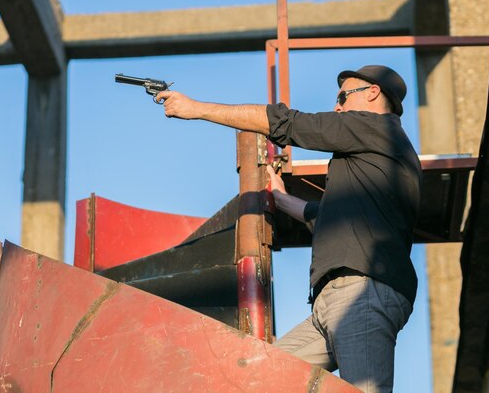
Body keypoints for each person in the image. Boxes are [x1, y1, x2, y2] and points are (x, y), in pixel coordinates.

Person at [155, 65, 421, 393]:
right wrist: (281, 200)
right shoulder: (378, 156)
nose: (337, 106)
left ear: (372, 93)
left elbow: (287, 123)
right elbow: (325, 215)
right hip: (333, 303)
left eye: (342, 97)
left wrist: (196, 109)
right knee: (256, 376)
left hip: (360, 293)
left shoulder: (377, 128)